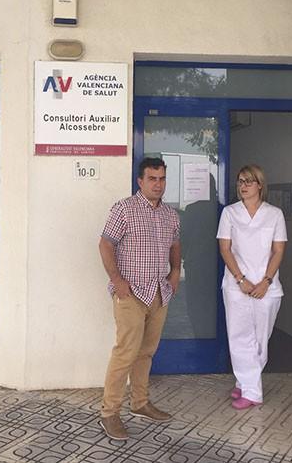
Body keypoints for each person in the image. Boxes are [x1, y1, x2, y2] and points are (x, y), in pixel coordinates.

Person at [97, 157, 181, 441]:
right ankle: (110, 412)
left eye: (162, 179)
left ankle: (140, 403)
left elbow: (175, 245)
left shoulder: (170, 215)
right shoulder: (124, 209)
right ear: (140, 181)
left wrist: (175, 273)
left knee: (146, 352)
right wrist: (117, 281)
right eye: (152, 179)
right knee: (126, 352)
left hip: (159, 293)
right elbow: (105, 244)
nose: (158, 184)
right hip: (131, 293)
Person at [216, 164, 287, 410]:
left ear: (260, 185)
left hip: (267, 286)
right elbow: (225, 248)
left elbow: (278, 250)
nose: (243, 186)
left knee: (260, 340)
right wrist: (240, 279)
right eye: (240, 181)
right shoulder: (230, 213)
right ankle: (252, 392)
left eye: (248, 181)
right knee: (239, 337)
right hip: (237, 285)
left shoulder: (275, 214)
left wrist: (266, 281)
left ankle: (244, 381)